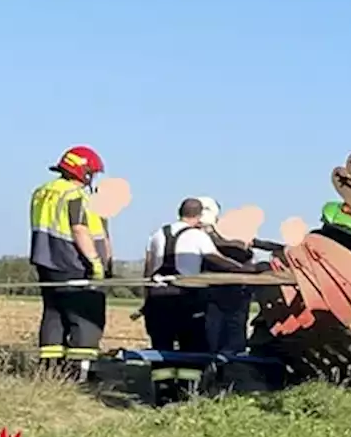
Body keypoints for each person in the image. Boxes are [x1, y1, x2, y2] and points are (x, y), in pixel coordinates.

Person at [141, 198, 268, 402]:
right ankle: (187, 393)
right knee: (192, 349)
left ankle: (163, 394)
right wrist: (244, 269)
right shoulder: (197, 236)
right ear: (199, 216)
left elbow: (147, 269)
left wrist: (146, 301)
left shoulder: (157, 234)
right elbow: (216, 258)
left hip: (157, 298)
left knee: (162, 350)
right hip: (185, 298)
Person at [29, 146, 112, 382]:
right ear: (84, 172)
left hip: (46, 261)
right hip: (73, 262)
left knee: (53, 315)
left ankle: (50, 370)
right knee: (85, 316)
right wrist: (95, 262)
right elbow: (79, 229)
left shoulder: (42, 192)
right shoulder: (74, 195)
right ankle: (80, 373)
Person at [197, 196, 255, 356]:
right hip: (227, 295)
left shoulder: (189, 234)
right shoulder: (207, 237)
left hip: (213, 296)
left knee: (214, 336)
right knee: (230, 338)